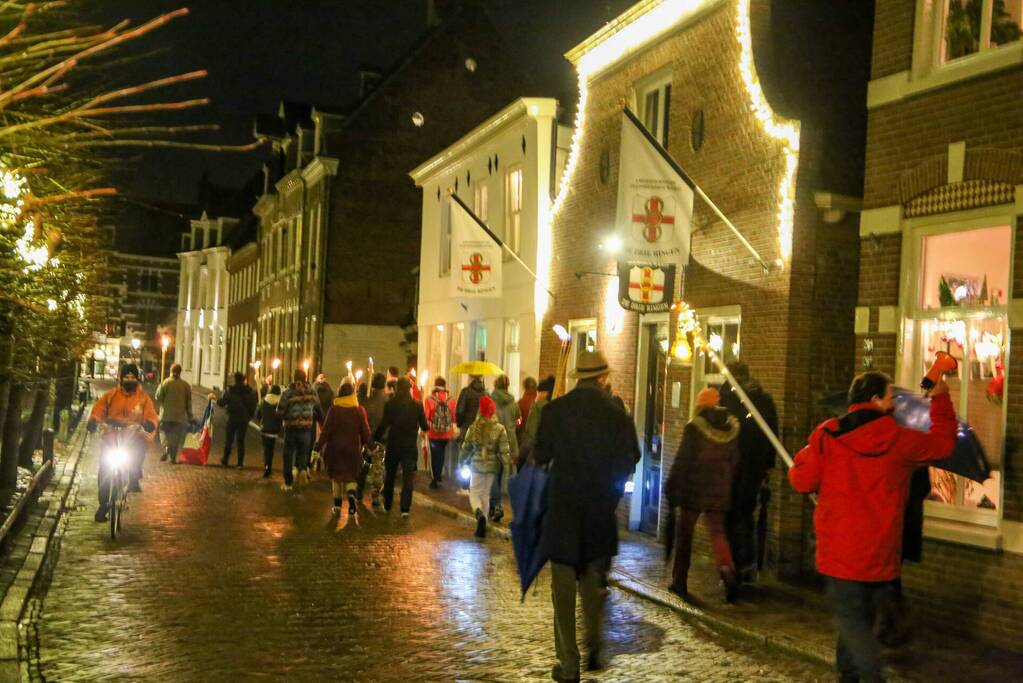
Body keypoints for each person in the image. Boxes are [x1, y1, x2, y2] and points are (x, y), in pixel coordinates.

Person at [789, 371, 955, 683]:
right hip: (880, 552)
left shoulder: (828, 434)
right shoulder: (901, 440)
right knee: (858, 622)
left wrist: (804, 457)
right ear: (875, 400)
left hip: (838, 551)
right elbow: (943, 445)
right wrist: (941, 399)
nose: (895, 403)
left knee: (853, 623)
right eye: (891, 396)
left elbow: (802, 480)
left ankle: (868, 676)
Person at [533, 350, 640, 682]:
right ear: (603, 377)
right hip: (598, 512)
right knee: (592, 582)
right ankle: (594, 640)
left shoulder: (556, 410)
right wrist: (612, 493)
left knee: (563, 590)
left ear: (578, 376)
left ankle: (569, 663)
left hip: (563, 510)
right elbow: (631, 458)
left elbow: (540, 455)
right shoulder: (617, 415)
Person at [664, 388, 740, 601]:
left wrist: (672, 484)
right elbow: (735, 461)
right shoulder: (731, 429)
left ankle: (679, 580)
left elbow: (683, 459)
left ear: (700, 406)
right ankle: (726, 569)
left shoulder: (694, 428)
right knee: (717, 532)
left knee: (685, 533)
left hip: (694, 489)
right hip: (720, 490)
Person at [719, 361, 778, 582]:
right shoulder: (763, 399)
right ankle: (748, 564)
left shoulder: (726, 397)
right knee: (746, 514)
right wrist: (767, 464)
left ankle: (731, 564)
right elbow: (772, 434)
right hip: (754, 466)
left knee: (729, 514)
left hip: (730, 465)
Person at [87, 363, 159, 522]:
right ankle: (103, 504)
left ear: (137, 379)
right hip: (111, 437)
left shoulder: (143, 398)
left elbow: (151, 415)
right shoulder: (111, 395)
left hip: (132, 437)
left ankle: (133, 476)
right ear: (121, 378)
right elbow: (99, 409)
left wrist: (150, 423)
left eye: (133, 377)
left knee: (136, 455)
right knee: (105, 469)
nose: (129, 380)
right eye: (126, 377)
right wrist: (94, 420)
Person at [315, 383, 373, 516]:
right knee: (351, 477)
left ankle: (337, 506)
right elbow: (366, 431)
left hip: (335, 450)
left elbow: (326, 431)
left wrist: (317, 447)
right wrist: (372, 446)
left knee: (336, 477)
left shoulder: (334, 410)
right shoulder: (359, 411)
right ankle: (351, 495)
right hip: (353, 449)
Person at [373, 377, 428, 517]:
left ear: (397, 388)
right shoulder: (417, 405)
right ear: (409, 389)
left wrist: (374, 439)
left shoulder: (390, 404)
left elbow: (384, 424)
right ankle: (405, 508)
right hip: (409, 446)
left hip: (394, 444)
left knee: (390, 475)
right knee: (408, 477)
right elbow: (424, 426)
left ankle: (388, 503)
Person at [460, 395, 509, 538]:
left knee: (474, 493)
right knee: (486, 494)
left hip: (476, 466)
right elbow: (504, 450)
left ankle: (479, 514)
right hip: (492, 467)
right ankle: (484, 523)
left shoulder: (473, 427)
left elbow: (466, 448)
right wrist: (507, 466)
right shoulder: (500, 429)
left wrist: (461, 461)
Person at [277, 368, 324, 491]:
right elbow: (318, 408)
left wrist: (283, 419)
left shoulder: (288, 392)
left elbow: (280, 411)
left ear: (294, 378)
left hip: (291, 428)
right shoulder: (312, 391)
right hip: (306, 428)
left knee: (288, 454)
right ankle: (303, 469)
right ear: (305, 378)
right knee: (303, 452)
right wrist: (321, 422)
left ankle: (288, 482)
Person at [489, 375, 520, 521]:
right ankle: (494, 505)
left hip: (493, 443)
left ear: (495, 385)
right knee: (501, 474)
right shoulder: (513, 403)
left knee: (493, 475)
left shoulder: (489, 402)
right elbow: (518, 420)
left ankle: (496, 506)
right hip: (509, 443)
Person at [212, 372, 258, 468]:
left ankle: (225, 459)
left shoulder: (231, 390)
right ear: (243, 380)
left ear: (235, 380)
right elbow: (252, 405)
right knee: (241, 440)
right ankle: (240, 462)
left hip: (233, 417)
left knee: (229, 439)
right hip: (244, 419)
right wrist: (249, 416)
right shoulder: (249, 391)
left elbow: (222, 402)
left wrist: (216, 399)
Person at [359, 372, 389, 503]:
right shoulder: (387, 400)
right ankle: (375, 495)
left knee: (364, 464)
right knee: (378, 468)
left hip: (367, 437)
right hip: (382, 438)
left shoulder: (367, 398)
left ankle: (358, 490)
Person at [154, 363, 192, 465]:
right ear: (180, 372)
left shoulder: (165, 383)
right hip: (179, 417)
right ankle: (173, 458)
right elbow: (188, 402)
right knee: (176, 437)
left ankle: (166, 447)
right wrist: (190, 416)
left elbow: (158, 397)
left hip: (165, 416)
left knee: (163, 432)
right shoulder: (185, 385)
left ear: (171, 371)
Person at [424, 376, 456, 489]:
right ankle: (439, 476)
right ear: (444, 386)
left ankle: (435, 478)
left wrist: (428, 427)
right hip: (447, 433)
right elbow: (454, 418)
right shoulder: (451, 400)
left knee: (434, 455)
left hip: (433, 433)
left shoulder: (429, 399)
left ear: (435, 385)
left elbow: (426, 417)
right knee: (441, 453)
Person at [517, 375, 554, 469]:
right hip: (548, 454)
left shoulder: (530, 405)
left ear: (545, 393)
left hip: (532, 451)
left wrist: (521, 455)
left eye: (540, 392)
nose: (538, 394)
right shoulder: (554, 406)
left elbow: (529, 431)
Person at [258, 384, 283, 478]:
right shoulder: (281, 402)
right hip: (275, 430)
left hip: (265, 428)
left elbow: (257, 414)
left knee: (266, 449)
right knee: (271, 449)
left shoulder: (264, 400)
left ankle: (267, 466)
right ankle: (269, 465)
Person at [517, 376, 538, 443]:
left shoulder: (521, 403)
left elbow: (519, 420)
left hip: (524, 437)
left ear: (524, 387)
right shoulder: (540, 402)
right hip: (538, 438)